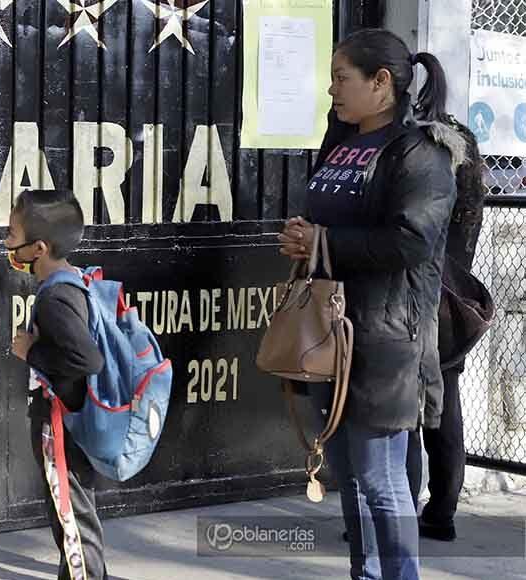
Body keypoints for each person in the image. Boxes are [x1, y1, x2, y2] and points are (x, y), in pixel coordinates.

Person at [278, 29, 466, 580]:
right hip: (327, 333)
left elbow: (411, 240)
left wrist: (323, 241)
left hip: (384, 340)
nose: (331, 89)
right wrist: (303, 234)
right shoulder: (341, 142)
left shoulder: (421, 153)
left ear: (381, 83)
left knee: (381, 480)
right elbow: (329, 219)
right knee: (349, 478)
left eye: (341, 78)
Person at [7, 189, 107, 580]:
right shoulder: (69, 281)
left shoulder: (56, 297)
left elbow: (88, 360)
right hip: (67, 420)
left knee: (72, 520)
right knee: (73, 513)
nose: (9, 243)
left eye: (14, 235)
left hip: (60, 425)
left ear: (40, 247)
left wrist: (30, 351)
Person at [405, 117, 486, 542]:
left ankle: (400, 511)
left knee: (404, 412)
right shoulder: (464, 147)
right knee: (445, 403)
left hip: (418, 296)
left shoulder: (418, 148)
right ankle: (441, 513)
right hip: (453, 302)